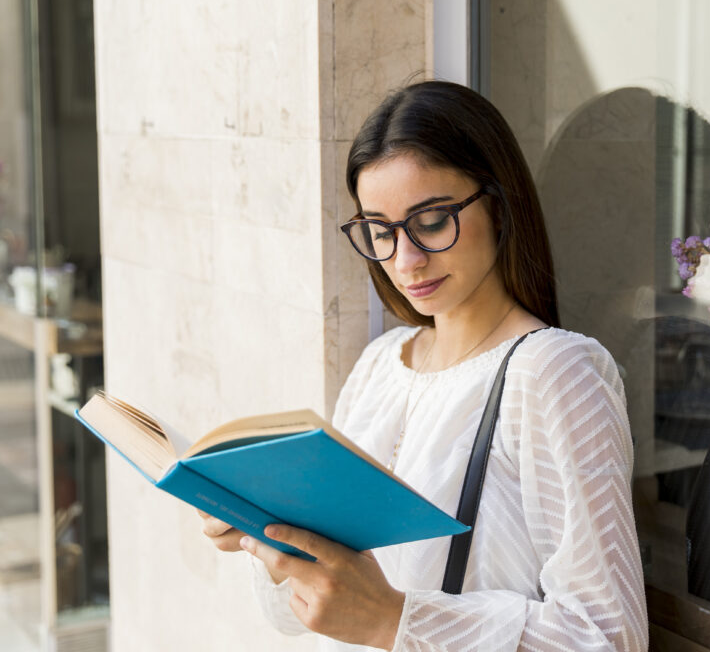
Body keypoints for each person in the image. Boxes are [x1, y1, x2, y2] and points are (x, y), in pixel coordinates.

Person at [198, 80, 649, 651]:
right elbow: (306, 614)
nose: (405, 261)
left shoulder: (553, 373)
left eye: (432, 221)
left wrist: (395, 618)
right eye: (379, 232)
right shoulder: (381, 365)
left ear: (499, 203)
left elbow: (609, 637)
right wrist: (263, 535)